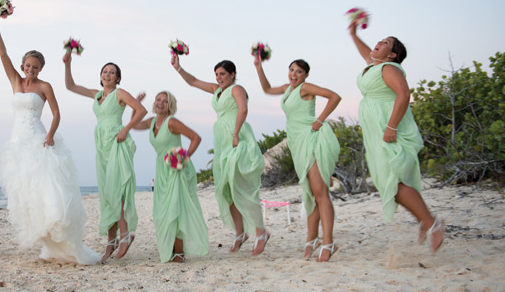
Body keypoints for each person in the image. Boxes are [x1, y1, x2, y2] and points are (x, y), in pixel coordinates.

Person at [0, 14, 100, 264]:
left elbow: (57, 112)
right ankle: (46, 241)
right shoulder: (15, 80)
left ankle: (62, 238)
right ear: (23, 66)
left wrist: (50, 134)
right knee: (26, 191)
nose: (31, 70)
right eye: (28, 65)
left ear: (41, 69)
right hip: (17, 142)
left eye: (35, 67)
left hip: (38, 139)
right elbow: (2, 53)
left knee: (47, 188)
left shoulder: (45, 86)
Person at [348, 19, 444, 252]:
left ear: (392, 55)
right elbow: (366, 52)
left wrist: (391, 127)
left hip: (390, 128)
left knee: (393, 181)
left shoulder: (389, 68)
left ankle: (431, 222)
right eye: (379, 40)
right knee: (386, 182)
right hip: (377, 131)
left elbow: (404, 95)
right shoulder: (374, 65)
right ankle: (424, 220)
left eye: (385, 43)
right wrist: (353, 33)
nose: (379, 43)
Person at [172, 54, 269, 255]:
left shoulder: (237, 89)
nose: (218, 77)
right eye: (216, 74)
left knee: (241, 186)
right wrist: (178, 67)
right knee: (226, 188)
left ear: (233, 75)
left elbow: (243, 109)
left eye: (222, 74)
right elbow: (193, 82)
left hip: (237, 137)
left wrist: (235, 134)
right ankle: (240, 233)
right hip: (221, 141)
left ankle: (261, 232)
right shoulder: (216, 90)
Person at [254, 56, 341, 261]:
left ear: (306, 75)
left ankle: (328, 242)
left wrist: (320, 120)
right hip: (296, 142)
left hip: (311, 140)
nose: (294, 74)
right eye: (292, 70)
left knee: (320, 193)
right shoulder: (288, 88)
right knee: (310, 192)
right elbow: (267, 89)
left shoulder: (306, 88)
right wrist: (259, 67)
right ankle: (311, 240)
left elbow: (335, 97)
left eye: (299, 71)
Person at [64, 50, 147, 261]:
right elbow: (71, 86)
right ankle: (111, 242)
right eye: (105, 72)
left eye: (112, 72)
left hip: (117, 142)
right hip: (101, 146)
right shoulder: (97, 94)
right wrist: (68, 63)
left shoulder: (120, 93)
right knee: (106, 193)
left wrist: (125, 129)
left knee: (115, 190)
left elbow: (141, 110)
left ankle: (125, 235)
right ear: (101, 76)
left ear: (117, 78)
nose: (108, 75)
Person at [134, 91, 209, 263]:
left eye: (165, 101)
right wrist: (137, 104)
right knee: (163, 211)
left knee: (176, 209)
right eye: (158, 99)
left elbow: (196, 138)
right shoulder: (152, 122)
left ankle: (179, 253)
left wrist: (183, 157)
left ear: (171, 105)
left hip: (176, 170)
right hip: (161, 170)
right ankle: (172, 249)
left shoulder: (172, 122)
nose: (160, 103)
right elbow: (135, 125)